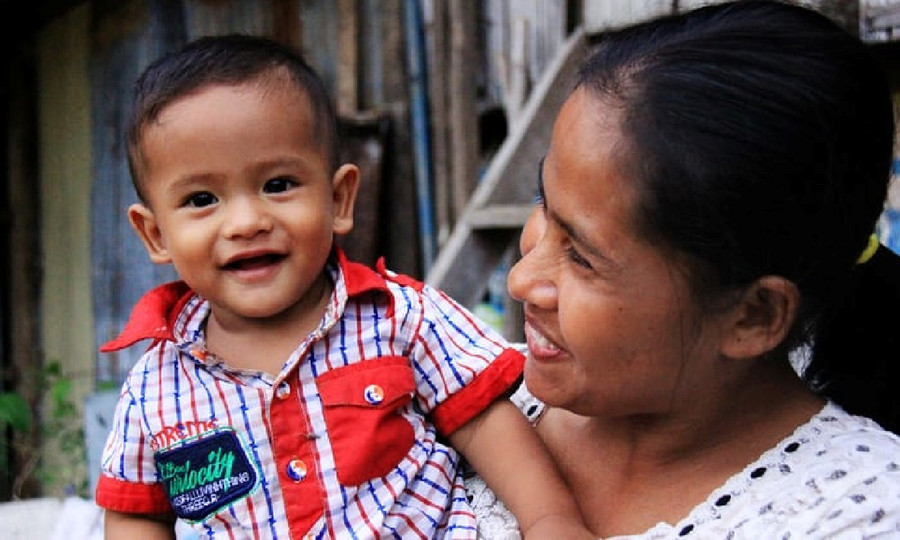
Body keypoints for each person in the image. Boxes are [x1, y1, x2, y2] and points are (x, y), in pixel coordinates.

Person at [93, 34, 591, 539]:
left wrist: (552, 521)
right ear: (155, 234)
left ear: (339, 199)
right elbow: (138, 513)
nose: (245, 222)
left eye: (278, 185)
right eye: (202, 199)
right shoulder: (156, 391)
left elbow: (483, 419)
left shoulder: (398, 315)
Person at [468, 0, 900, 537]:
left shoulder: (854, 513)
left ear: (752, 316)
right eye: (543, 204)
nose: (520, 281)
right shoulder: (466, 393)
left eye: (580, 255)